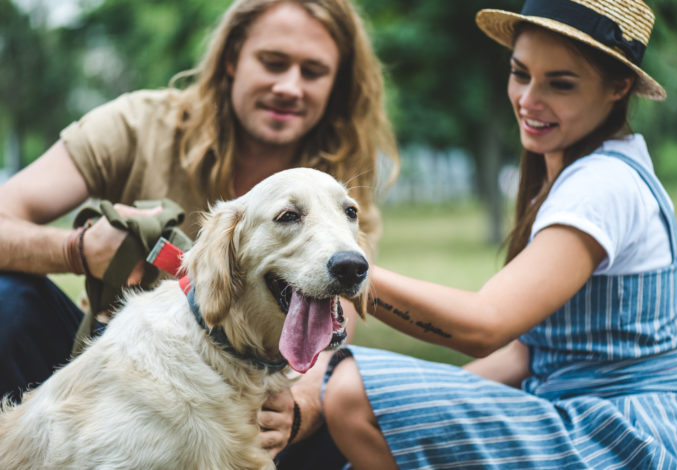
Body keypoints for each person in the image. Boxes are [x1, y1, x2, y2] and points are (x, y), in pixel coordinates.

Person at [319, 0, 677, 468]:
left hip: (622, 436)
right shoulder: (577, 176)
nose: (529, 99)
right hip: (584, 418)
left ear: (619, 86)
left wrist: (344, 269)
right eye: (520, 73)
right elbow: (528, 355)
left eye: (560, 83)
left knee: (352, 393)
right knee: (378, 412)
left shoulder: (603, 186)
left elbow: (484, 325)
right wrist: (418, 409)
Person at [0, 0, 397, 459]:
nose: (290, 87)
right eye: (272, 62)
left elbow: (333, 319)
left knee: (344, 406)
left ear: (336, 82)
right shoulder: (137, 124)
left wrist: (303, 406)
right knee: (8, 298)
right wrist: (76, 250)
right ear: (232, 58)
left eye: (313, 71)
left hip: (266, 381)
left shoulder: (340, 169)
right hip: (116, 365)